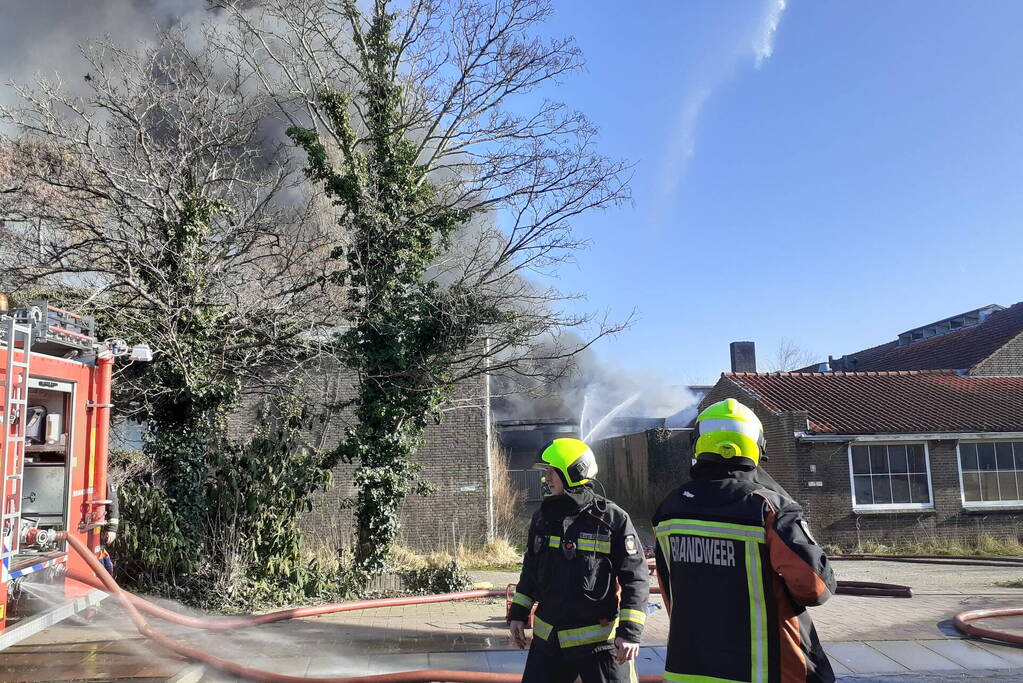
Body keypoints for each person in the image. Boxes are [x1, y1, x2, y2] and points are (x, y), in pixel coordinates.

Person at [653, 398, 836, 683]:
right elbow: (814, 586)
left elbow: (670, 591)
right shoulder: (770, 508)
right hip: (764, 668)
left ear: (699, 444)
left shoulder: (668, 509)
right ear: (757, 445)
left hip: (687, 666)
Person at [508, 438, 649, 683]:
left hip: (599, 645)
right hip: (549, 641)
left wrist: (630, 633)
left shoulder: (613, 519)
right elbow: (531, 569)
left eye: (552, 471)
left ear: (573, 472)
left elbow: (635, 578)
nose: (547, 478)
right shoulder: (542, 518)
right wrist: (518, 614)